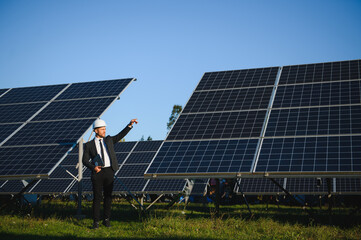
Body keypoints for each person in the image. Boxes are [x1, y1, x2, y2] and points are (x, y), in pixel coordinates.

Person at [82, 118, 138, 229]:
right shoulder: (89, 145)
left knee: (108, 196)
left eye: (105, 129)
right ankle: (96, 222)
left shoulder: (109, 140)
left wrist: (129, 125)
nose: (104, 131)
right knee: (97, 198)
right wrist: (93, 167)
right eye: (102, 129)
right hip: (97, 172)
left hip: (109, 171)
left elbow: (120, 135)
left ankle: (106, 220)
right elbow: (84, 160)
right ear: (96, 130)